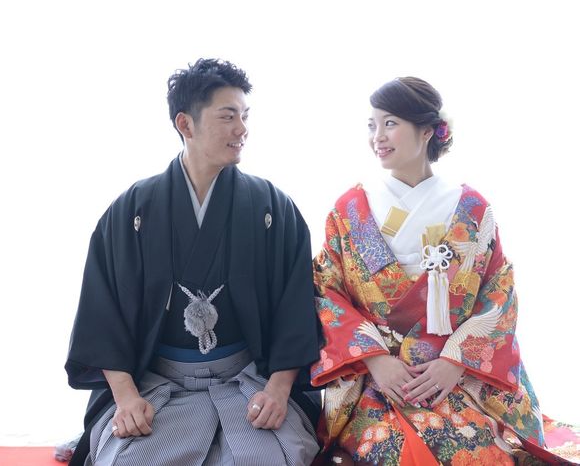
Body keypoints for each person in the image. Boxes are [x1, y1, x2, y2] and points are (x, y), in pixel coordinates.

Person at [311, 77, 580, 465]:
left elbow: (498, 292)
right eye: (372, 125)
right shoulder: (349, 210)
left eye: (390, 123)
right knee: (399, 453)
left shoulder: (471, 209)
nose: (377, 137)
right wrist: (375, 360)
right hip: (380, 382)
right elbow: (328, 290)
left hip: (456, 376)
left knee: (483, 453)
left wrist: (454, 362)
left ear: (426, 131)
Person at [66, 58, 321, 466]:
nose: (242, 129)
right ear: (185, 124)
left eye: (245, 116)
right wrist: (126, 398)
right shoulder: (133, 210)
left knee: (271, 459)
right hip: (156, 384)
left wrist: (278, 389)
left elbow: (296, 307)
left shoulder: (271, 207)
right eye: (228, 116)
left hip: (250, 382)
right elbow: (103, 311)